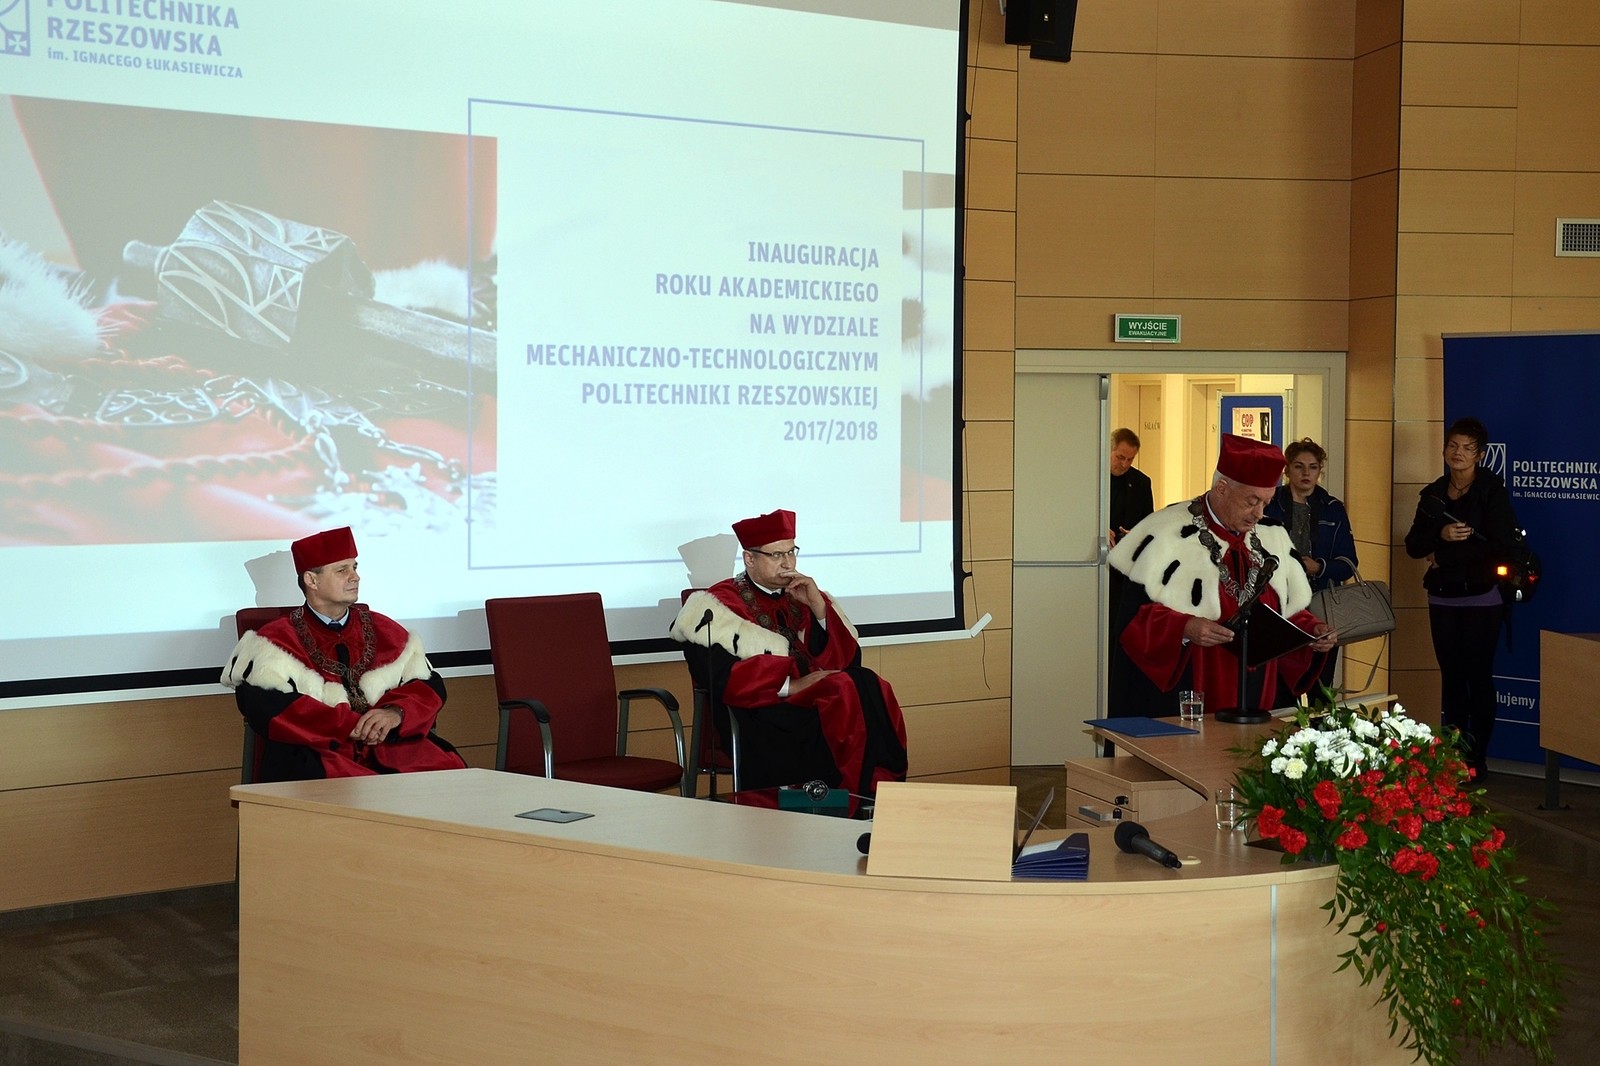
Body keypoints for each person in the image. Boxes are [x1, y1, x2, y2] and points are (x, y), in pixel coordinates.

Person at [670, 509, 908, 804]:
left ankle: (870, 793)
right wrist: (790, 686)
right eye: (776, 555)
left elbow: (846, 663)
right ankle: (850, 799)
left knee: (868, 683)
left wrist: (819, 609)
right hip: (762, 712)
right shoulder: (717, 604)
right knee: (847, 689)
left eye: (791, 552)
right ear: (749, 559)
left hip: (816, 703)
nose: (788, 563)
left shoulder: (803, 594)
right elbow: (715, 673)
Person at [1108, 434, 1337, 717]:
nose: (1259, 513)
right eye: (1251, 501)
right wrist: (1185, 628)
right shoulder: (1166, 531)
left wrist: (1312, 630)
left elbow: (1284, 608)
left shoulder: (1272, 535)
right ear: (1222, 488)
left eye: (1266, 502)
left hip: (1257, 699)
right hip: (1189, 695)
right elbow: (1133, 619)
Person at [220, 526, 466, 781]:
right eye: (342, 570)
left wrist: (395, 713)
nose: (355, 577)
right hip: (319, 752)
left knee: (449, 770)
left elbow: (428, 687)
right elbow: (271, 709)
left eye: (355, 568)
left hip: (388, 746)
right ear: (311, 580)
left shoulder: (386, 629)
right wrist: (351, 725)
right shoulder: (273, 641)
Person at [1403, 417, 1516, 779]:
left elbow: (1499, 546)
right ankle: (1453, 759)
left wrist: (1443, 555)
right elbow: (1413, 545)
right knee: (1451, 679)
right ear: (1444, 449)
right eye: (1453, 446)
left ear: (1480, 455)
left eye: (1467, 448)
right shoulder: (1434, 494)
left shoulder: (1491, 491)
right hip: (1442, 598)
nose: (1458, 453)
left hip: (1482, 598)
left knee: (1478, 678)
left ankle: (1476, 761)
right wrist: (1441, 535)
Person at [1264, 437, 1358, 693]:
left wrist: (1318, 567)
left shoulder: (1332, 508)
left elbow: (1349, 563)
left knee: (1321, 686)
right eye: (1299, 466)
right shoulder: (1271, 504)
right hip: (1280, 602)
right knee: (1280, 686)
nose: (1306, 473)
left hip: (1321, 603)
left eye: (1313, 467)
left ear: (1320, 471)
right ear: (1287, 470)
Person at [1107, 427, 1156, 631]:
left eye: (1130, 459)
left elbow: (1149, 525)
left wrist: (1136, 536)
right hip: (1100, 565)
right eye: (1120, 457)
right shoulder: (1092, 478)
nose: (1125, 464)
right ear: (1108, 450)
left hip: (1127, 568)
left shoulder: (1141, 483)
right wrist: (1098, 529)